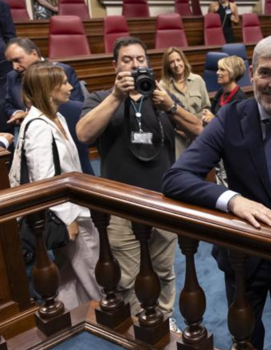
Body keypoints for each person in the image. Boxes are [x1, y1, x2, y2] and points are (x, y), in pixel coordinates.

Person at [162, 36, 271, 350]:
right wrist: (233, 200)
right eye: (265, 73)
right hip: (242, 254)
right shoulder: (230, 118)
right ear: (252, 74)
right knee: (245, 337)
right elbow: (176, 178)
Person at [76, 37, 202, 333]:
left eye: (140, 60)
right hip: (120, 208)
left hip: (163, 202)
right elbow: (83, 134)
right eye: (127, 60)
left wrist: (171, 106)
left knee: (164, 272)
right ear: (115, 66)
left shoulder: (162, 98)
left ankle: (165, 319)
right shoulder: (100, 98)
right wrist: (117, 97)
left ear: (148, 64)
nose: (135, 66)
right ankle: (143, 329)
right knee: (129, 277)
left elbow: (198, 130)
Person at [8, 61, 101, 310]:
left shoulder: (55, 116)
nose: (70, 86)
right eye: (62, 83)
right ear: (48, 89)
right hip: (69, 215)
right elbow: (44, 180)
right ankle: (112, 321)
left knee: (71, 275)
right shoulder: (38, 127)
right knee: (95, 274)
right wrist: (67, 218)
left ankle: (75, 321)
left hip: (76, 207)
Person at [4, 38, 83, 127]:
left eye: (17, 60)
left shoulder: (62, 70)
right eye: (11, 62)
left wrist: (32, 115)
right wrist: (17, 113)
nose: (15, 67)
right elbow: (9, 106)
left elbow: (75, 106)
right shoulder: (12, 76)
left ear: (34, 54)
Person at [159, 47, 213, 158]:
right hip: (177, 135)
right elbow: (162, 116)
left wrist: (208, 115)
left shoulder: (197, 80)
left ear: (183, 60)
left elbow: (206, 107)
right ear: (167, 66)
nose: (176, 64)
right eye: (172, 62)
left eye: (178, 60)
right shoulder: (163, 85)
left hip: (199, 132)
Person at [0, 1, 15, 137]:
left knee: (2, 102)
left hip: (1, 63)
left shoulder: (1, 5)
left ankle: (6, 149)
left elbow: (9, 35)